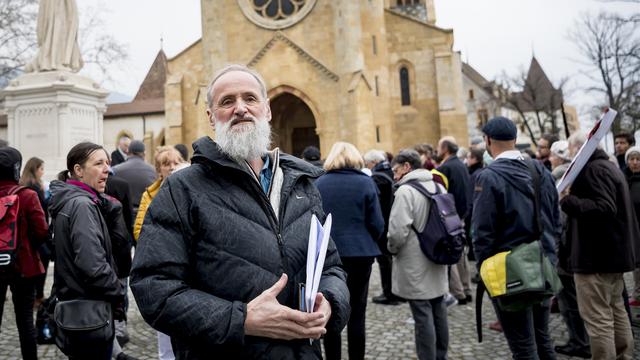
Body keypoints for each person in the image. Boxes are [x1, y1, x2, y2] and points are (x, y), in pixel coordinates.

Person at [130, 64, 349, 359]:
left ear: (267, 110)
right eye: (227, 101)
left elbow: (331, 266)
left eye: (250, 98)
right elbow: (153, 288)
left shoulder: (302, 185)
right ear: (211, 117)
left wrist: (331, 302)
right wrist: (240, 319)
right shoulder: (182, 189)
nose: (240, 109)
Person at [472, 116, 561, 359]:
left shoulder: (488, 176)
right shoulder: (540, 169)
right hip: (542, 263)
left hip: (509, 270)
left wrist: (484, 270)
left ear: (488, 140)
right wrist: (551, 255)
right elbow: (555, 218)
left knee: (523, 346)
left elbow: (482, 233)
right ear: (515, 139)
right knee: (542, 339)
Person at [561, 137, 639, 359]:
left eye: (571, 149)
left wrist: (567, 200)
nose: (570, 154)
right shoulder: (608, 167)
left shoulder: (593, 169)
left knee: (599, 319)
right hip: (609, 257)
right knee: (616, 311)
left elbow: (603, 208)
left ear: (581, 148)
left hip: (595, 259)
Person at [49, 142, 126, 359]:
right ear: (78, 171)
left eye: (108, 164)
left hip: (80, 310)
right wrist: (117, 292)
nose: (107, 169)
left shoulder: (77, 201)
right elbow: (92, 265)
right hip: (89, 313)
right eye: (98, 163)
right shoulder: (82, 205)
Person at [315, 142, 384, 360]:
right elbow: (377, 223)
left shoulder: (319, 183)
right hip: (360, 254)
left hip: (329, 255)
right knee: (357, 312)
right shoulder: (365, 183)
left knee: (330, 310)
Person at [387, 149, 449, 360]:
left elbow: (397, 232)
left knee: (422, 315)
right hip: (438, 255)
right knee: (438, 308)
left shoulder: (405, 191)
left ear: (407, 167)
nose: (394, 176)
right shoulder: (438, 185)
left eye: (396, 171)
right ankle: (441, 355)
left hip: (415, 261)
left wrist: (391, 249)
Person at [132, 145, 184, 360]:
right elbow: (139, 229)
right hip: (163, 266)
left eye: (175, 162)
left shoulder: (192, 188)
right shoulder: (151, 194)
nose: (172, 167)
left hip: (188, 268)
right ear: (158, 169)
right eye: (166, 164)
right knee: (165, 334)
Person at [0, 148, 49, 360]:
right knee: (25, 321)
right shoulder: (27, 196)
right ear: (16, 169)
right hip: (24, 266)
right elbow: (42, 231)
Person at [550, 136, 591, 359]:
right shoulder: (579, 171)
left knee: (569, 298)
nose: (550, 158)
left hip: (566, 247)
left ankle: (580, 341)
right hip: (571, 246)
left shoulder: (562, 176)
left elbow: (561, 217)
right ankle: (580, 339)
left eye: (553, 155)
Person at [437, 136, 472, 305]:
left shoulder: (446, 167)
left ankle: (459, 293)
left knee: (452, 253)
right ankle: (466, 288)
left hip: (451, 216)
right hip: (462, 214)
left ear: (445, 149)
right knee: (461, 253)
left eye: (439, 147)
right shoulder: (461, 165)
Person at [364, 149, 401, 306]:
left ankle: (389, 293)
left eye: (368, 164)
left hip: (383, 224)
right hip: (394, 221)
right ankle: (397, 291)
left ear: (373, 163)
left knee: (384, 261)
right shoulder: (391, 172)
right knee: (393, 259)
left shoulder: (377, 178)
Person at [19, 157, 51, 307]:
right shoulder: (34, 187)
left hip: (27, 232)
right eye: (41, 169)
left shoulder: (26, 184)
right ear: (35, 169)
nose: (43, 172)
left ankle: (34, 294)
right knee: (41, 262)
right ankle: (37, 296)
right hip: (35, 232)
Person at [112, 140, 157, 215]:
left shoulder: (115, 170)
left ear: (128, 152)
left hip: (123, 215)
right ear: (144, 153)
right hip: (146, 214)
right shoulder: (154, 171)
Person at [625, 146, 640, 307]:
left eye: (638, 159)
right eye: (631, 159)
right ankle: (637, 293)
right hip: (632, 228)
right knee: (636, 265)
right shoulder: (625, 178)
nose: (635, 162)